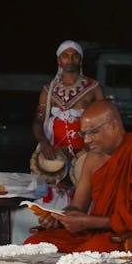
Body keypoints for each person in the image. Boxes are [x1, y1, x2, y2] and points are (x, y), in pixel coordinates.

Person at [24, 100, 132, 253]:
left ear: (113, 125)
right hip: (96, 234)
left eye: (92, 132)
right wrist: (60, 219)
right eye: (83, 133)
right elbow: (77, 208)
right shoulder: (93, 158)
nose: (86, 140)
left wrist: (89, 222)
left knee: (90, 253)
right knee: (34, 244)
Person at [31, 40, 104, 207]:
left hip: (86, 154)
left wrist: (90, 149)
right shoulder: (48, 90)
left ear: (81, 60)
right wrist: (44, 143)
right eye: (65, 56)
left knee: (86, 201)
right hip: (56, 155)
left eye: (75, 56)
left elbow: (104, 121)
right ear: (59, 60)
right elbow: (38, 121)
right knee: (54, 205)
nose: (70, 60)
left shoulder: (93, 88)